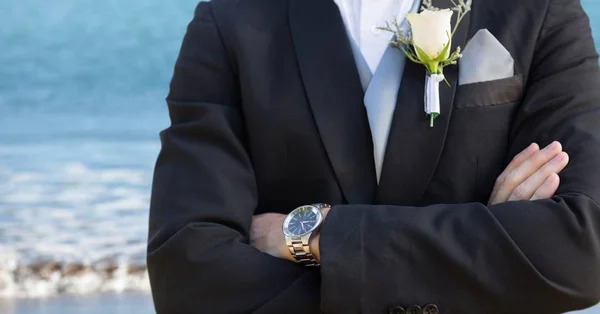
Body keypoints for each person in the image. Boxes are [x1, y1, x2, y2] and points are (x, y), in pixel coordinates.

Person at [147, 0, 600, 312]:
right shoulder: (230, 20)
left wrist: (313, 234)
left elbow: (582, 250)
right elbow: (186, 275)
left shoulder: (538, 9)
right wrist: (488, 255)